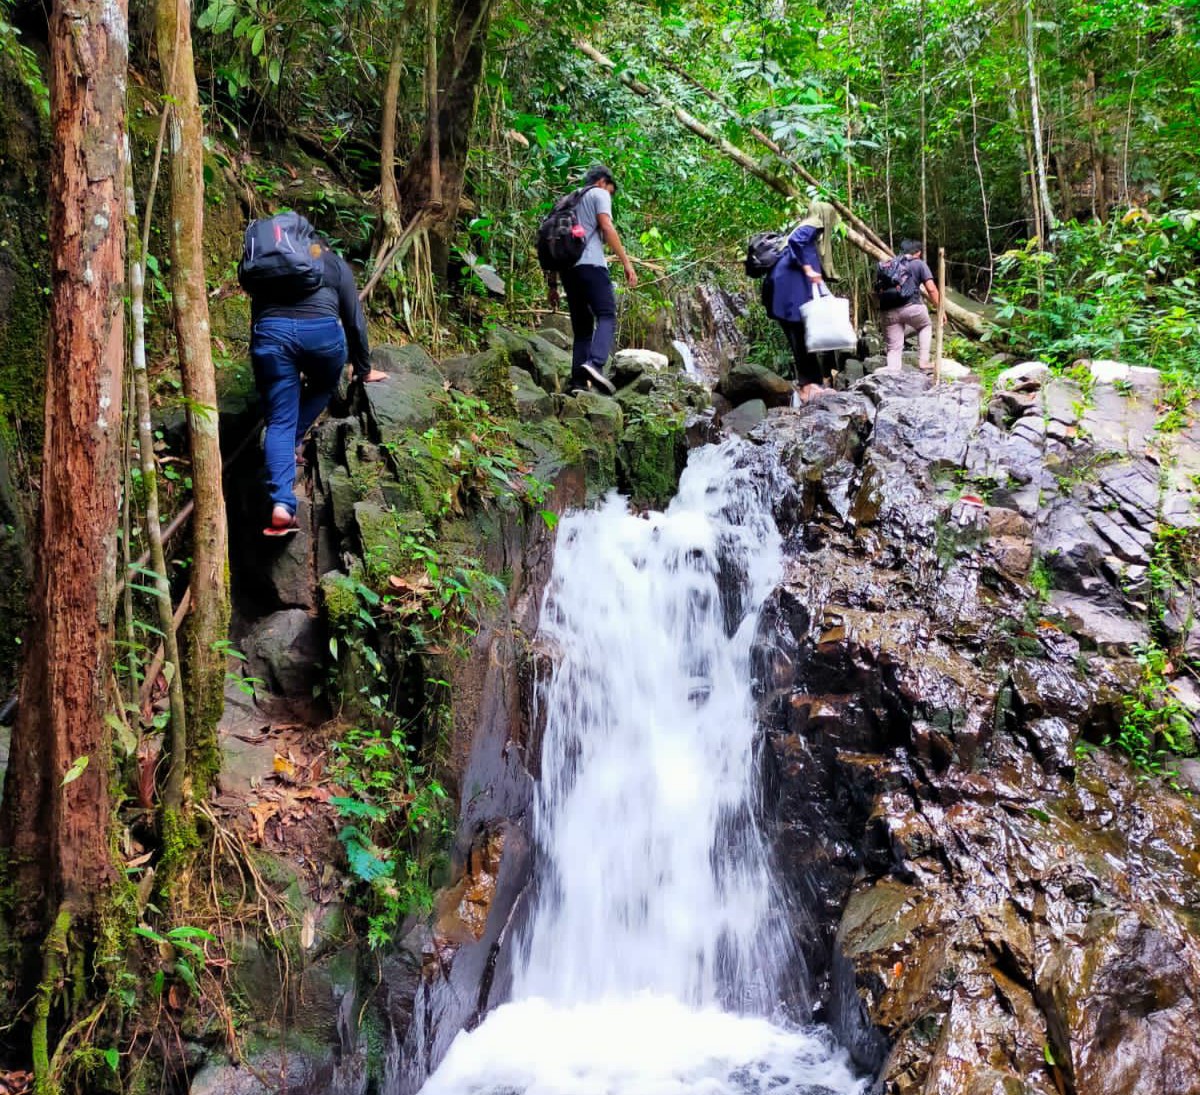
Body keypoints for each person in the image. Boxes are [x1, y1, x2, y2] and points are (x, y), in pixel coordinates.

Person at [246, 215, 386, 536]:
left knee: (278, 421)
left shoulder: (266, 269)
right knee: (324, 384)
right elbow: (354, 323)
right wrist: (362, 370)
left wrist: (265, 366)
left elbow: (259, 323)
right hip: (322, 337)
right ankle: (295, 439)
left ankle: (282, 503)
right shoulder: (331, 263)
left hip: (271, 337)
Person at [545, 165, 638, 395]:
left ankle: (577, 383)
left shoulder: (566, 202)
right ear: (602, 182)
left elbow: (553, 242)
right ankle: (596, 364)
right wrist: (627, 263)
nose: (610, 195)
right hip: (592, 266)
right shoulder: (599, 193)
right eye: (611, 190)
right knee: (606, 315)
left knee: (583, 328)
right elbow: (606, 226)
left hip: (568, 271)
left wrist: (552, 286)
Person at [761, 201, 841, 402]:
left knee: (803, 339)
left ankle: (812, 385)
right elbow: (797, 240)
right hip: (788, 297)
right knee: (801, 340)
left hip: (785, 294)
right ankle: (808, 388)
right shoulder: (812, 225)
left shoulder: (805, 231)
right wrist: (808, 269)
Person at [880, 239, 941, 371]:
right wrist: (941, 310)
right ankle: (924, 362)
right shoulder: (918, 264)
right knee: (925, 325)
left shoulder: (890, 265)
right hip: (911, 307)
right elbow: (931, 289)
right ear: (918, 253)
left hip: (888, 311)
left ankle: (892, 372)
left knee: (894, 349)